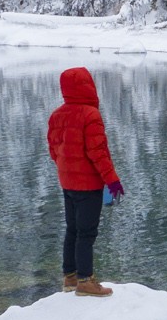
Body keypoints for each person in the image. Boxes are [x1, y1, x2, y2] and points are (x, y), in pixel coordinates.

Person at [47, 67, 124, 296]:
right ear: (88, 86)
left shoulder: (57, 115)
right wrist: (113, 182)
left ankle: (69, 277)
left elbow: (53, 150)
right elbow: (98, 153)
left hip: (67, 182)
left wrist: (67, 169)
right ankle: (86, 281)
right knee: (87, 233)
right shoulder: (91, 115)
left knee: (72, 229)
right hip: (89, 185)